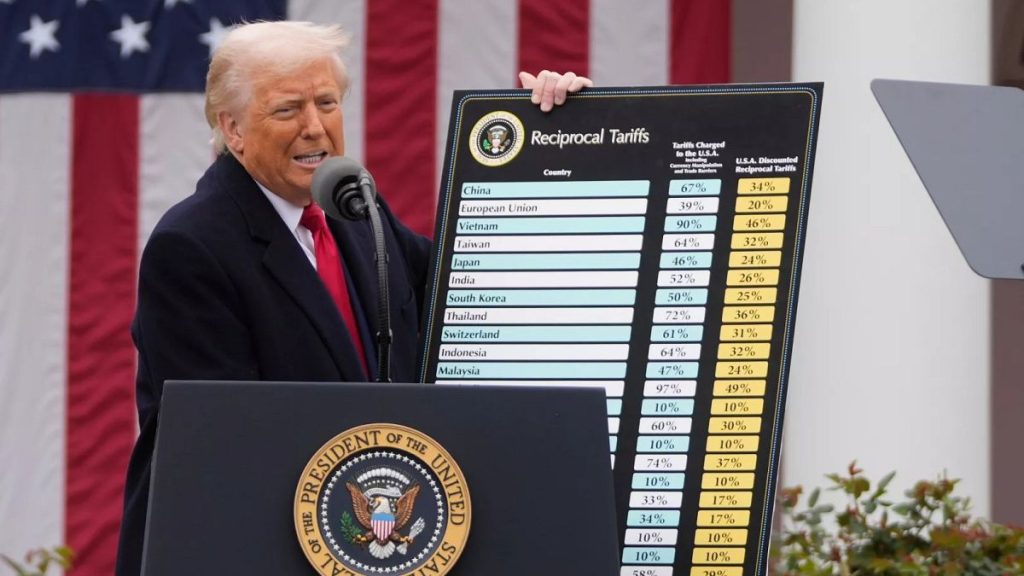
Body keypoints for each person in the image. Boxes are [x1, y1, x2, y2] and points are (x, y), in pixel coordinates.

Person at [115, 20, 591, 576]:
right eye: (288, 109)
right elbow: (223, 443)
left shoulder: (355, 209)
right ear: (233, 128)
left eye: (326, 103)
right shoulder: (191, 246)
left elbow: (474, 285)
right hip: (251, 552)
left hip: (372, 547)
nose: (315, 127)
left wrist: (552, 137)